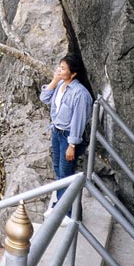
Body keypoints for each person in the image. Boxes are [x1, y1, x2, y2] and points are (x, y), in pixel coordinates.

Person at [40, 54, 93, 223]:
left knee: (66, 173)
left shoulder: (80, 94)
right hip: (57, 132)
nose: (59, 70)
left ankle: (70, 214)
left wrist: (72, 144)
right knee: (58, 169)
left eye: (63, 68)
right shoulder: (61, 84)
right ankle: (59, 206)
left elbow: (78, 121)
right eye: (59, 67)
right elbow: (44, 98)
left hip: (69, 137)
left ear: (74, 73)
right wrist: (55, 81)